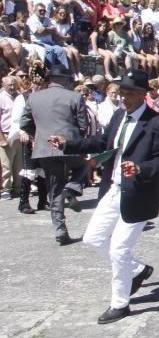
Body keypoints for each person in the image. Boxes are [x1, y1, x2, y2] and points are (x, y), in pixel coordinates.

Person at [49, 70, 159, 324]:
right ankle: (137, 269)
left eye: (129, 93)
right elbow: (102, 141)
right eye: (121, 92)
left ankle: (120, 303)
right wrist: (67, 144)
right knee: (93, 238)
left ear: (142, 95)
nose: (123, 97)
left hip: (138, 193)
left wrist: (141, 169)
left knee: (118, 249)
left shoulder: (157, 123)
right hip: (113, 188)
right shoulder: (119, 116)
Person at [20, 63, 90, 245]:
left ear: (50, 80)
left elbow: (24, 123)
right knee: (84, 165)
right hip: (69, 144)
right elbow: (84, 126)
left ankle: (60, 229)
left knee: (54, 189)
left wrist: (40, 134)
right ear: (65, 80)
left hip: (45, 147)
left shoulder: (34, 98)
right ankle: (73, 187)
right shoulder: (75, 97)